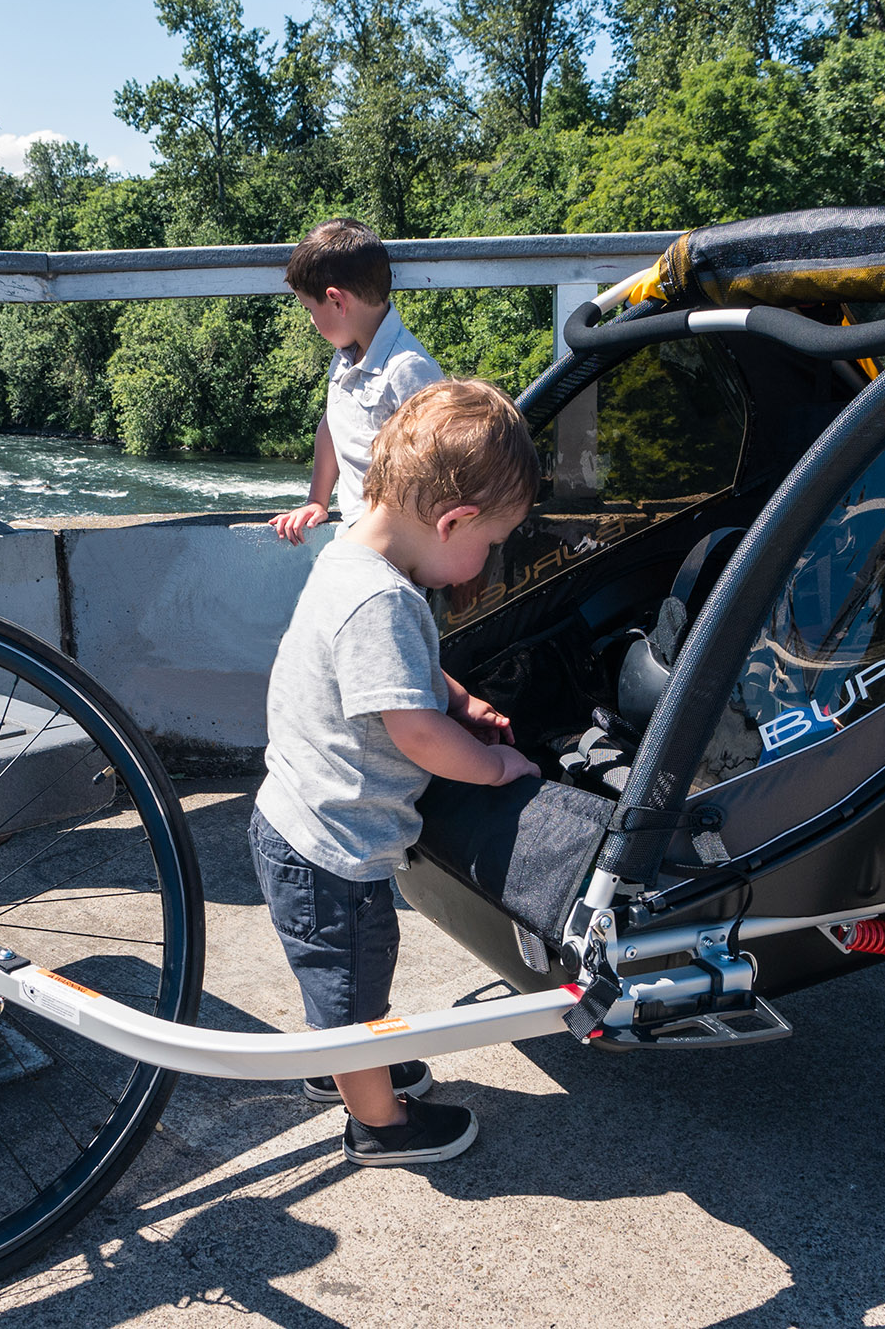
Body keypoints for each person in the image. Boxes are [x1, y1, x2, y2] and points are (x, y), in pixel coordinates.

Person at [250, 378, 541, 1166]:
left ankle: (349, 1070)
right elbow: (414, 731)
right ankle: (378, 1124)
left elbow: (404, 679)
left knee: (340, 977)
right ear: (453, 522)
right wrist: (489, 764)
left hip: (302, 821)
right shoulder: (381, 601)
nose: (485, 561)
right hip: (329, 851)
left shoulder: (354, 556)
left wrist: (463, 697)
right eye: (490, 543)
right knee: (353, 987)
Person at [270, 218, 445, 545]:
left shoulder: (409, 370)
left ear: (337, 302)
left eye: (309, 308)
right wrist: (316, 501)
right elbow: (332, 424)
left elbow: (436, 470)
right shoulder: (345, 357)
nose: (310, 320)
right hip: (354, 535)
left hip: (395, 548)